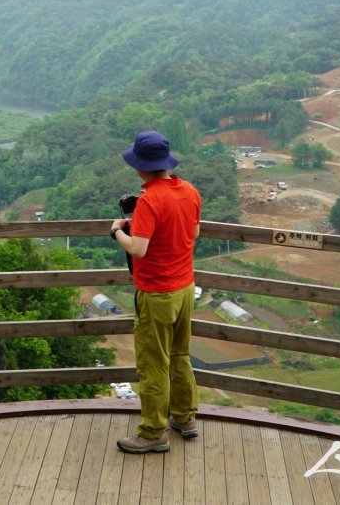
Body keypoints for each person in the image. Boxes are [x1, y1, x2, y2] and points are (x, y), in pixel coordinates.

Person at [109, 130, 201, 453]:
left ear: (139, 167)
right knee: (179, 355)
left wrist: (117, 231)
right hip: (185, 288)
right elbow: (194, 232)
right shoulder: (189, 191)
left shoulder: (149, 201)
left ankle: (152, 432)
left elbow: (138, 249)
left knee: (153, 364)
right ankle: (185, 418)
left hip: (157, 294)